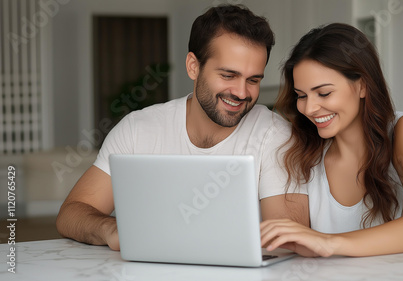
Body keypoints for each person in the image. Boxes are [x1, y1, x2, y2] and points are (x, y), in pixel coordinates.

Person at [56, 4, 309, 251]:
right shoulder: (137, 129)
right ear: (193, 66)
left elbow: (289, 238)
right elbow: (72, 212)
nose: (241, 92)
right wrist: (111, 229)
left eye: (253, 80)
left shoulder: (277, 136)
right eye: (228, 75)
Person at [260, 23, 403, 257]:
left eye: (324, 93)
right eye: (301, 96)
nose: (310, 107)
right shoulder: (302, 151)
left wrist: (328, 243)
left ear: (363, 86)